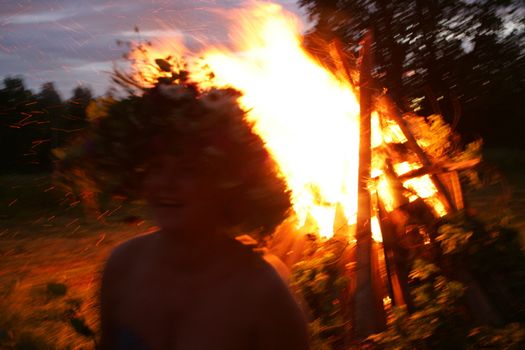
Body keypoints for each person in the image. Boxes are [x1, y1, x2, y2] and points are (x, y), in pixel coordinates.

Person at [91, 85, 310, 349]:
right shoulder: (122, 266)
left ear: (223, 181)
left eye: (188, 170)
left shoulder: (260, 287)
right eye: (157, 168)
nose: (167, 183)